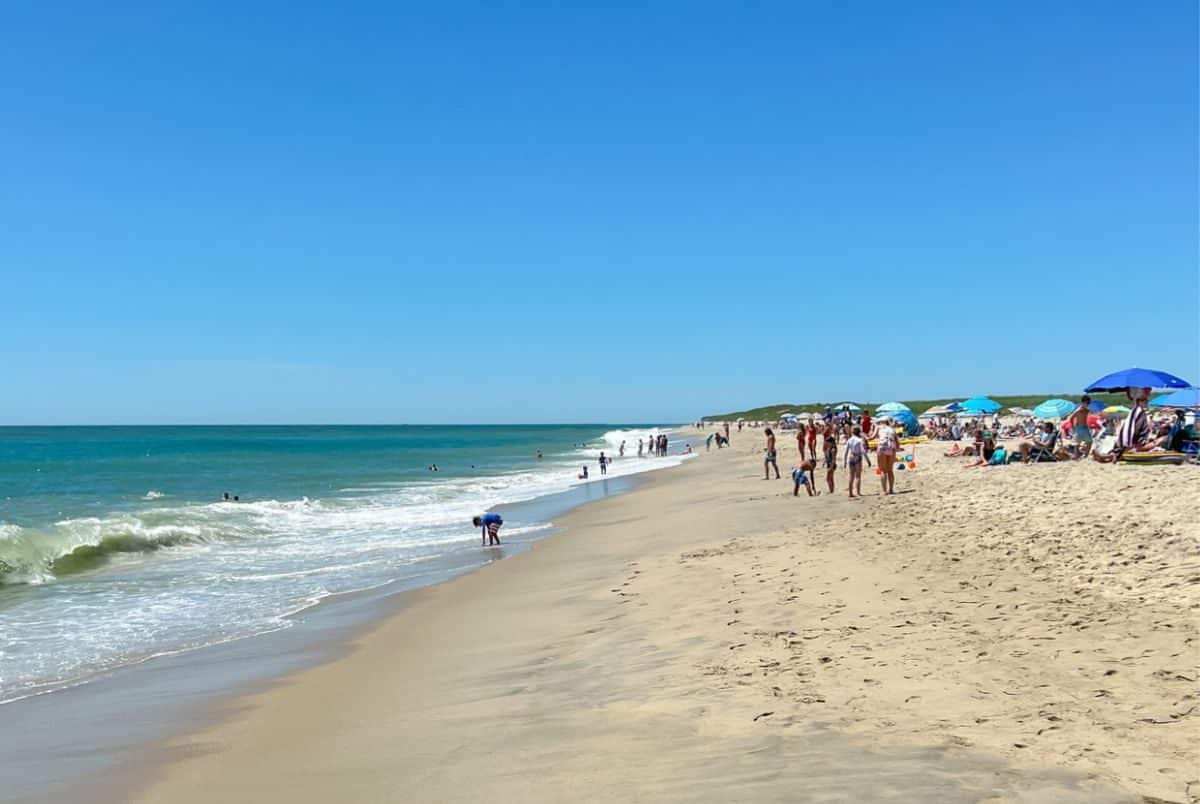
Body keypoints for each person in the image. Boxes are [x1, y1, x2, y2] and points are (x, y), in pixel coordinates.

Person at [843, 426, 870, 498]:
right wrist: (868, 461)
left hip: (851, 457)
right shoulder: (859, 440)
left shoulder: (849, 440)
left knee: (851, 477)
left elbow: (846, 452)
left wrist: (845, 461)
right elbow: (863, 451)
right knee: (858, 476)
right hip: (858, 457)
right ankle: (858, 492)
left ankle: (850, 493)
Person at [875, 416, 900, 495]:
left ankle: (884, 490)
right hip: (891, 448)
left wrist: (865, 437)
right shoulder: (892, 429)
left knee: (883, 470)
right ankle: (891, 489)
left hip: (882, 447)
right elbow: (897, 442)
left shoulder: (878, 427)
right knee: (890, 470)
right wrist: (896, 451)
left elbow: (872, 436)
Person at [822, 425, 838, 494]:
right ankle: (832, 490)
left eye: (828, 442)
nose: (826, 444)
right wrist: (824, 461)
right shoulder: (830, 448)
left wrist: (831, 467)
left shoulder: (833, 449)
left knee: (828, 478)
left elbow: (833, 459)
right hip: (829, 464)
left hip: (831, 465)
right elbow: (827, 456)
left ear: (831, 443)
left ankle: (831, 490)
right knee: (831, 478)